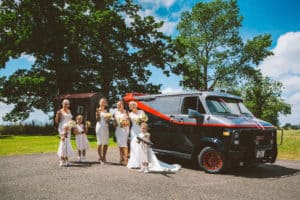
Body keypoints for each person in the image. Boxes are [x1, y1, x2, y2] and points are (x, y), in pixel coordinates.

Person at [127, 101, 148, 169]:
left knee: (141, 146)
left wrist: (142, 121)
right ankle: (135, 162)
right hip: (134, 131)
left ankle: (142, 163)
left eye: (133, 104)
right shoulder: (129, 114)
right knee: (134, 145)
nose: (132, 106)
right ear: (130, 107)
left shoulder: (141, 111)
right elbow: (128, 123)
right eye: (131, 105)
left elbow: (145, 120)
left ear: (136, 105)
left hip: (141, 130)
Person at [55, 99, 74, 167]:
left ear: (68, 105)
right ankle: (61, 159)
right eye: (64, 104)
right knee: (63, 142)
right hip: (62, 127)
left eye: (67, 104)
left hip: (68, 128)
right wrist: (57, 115)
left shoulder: (69, 111)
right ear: (62, 104)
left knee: (67, 143)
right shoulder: (60, 111)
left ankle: (67, 159)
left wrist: (71, 125)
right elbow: (57, 121)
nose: (66, 105)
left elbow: (70, 120)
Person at [114, 100, 130, 165]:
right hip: (118, 130)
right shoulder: (115, 113)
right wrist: (114, 123)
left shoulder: (126, 112)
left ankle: (126, 159)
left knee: (124, 144)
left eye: (120, 104)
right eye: (117, 105)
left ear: (123, 105)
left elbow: (129, 122)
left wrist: (124, 124)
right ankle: (121, 158)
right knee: (120, 145)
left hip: (125, 129)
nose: (119, 106)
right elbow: (115, 124)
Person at [95, 98, 111, 164]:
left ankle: (104, 156)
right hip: (99, 126)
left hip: (105, 127)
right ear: (99, 103)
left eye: (104, 102)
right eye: (101, 102)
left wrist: (108, 118)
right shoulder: (97, 110)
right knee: (100, 142)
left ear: (105, 103)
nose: (102, 103)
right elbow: (97, 119)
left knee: (106, 142)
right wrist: (98, 113)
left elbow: (108, 121)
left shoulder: (106, 111)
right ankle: (100, 157)